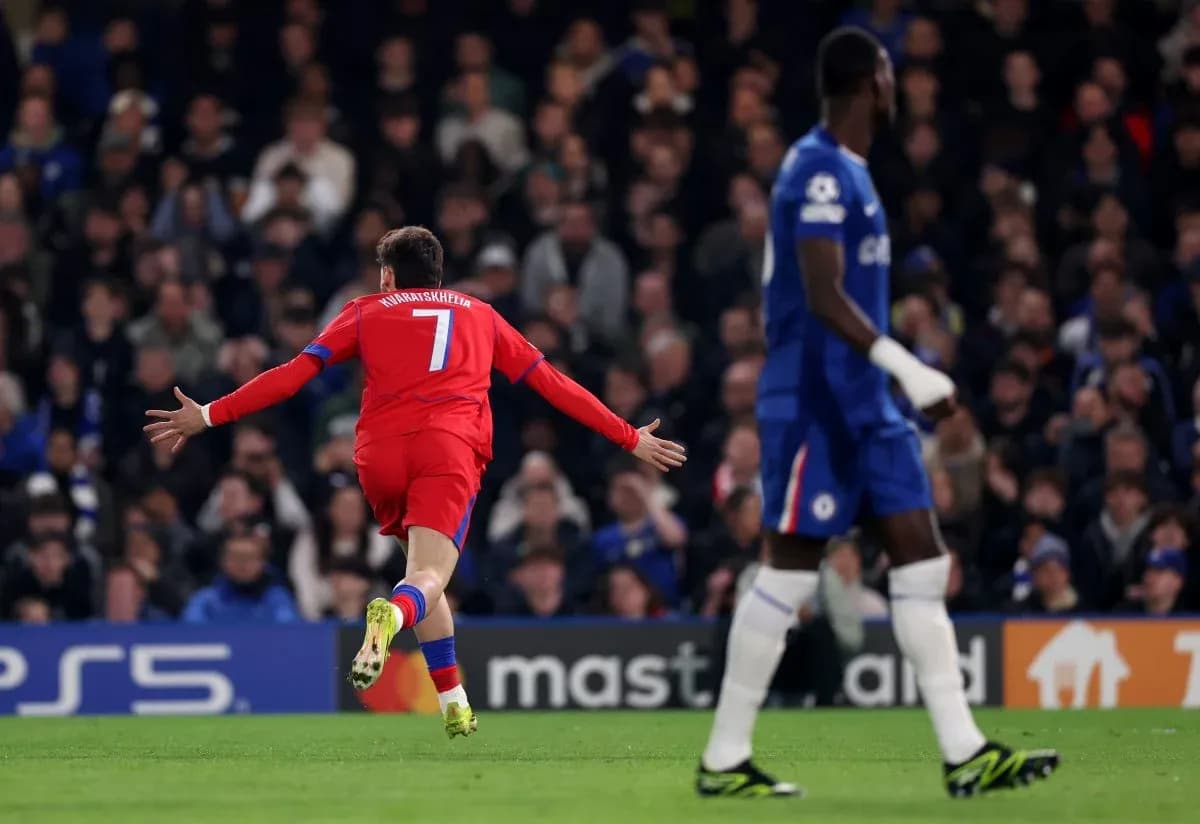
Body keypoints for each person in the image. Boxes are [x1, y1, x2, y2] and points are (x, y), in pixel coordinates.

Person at [696, 27, 1057, 799]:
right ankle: (724, 758)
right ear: (871, 83)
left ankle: (965, 752)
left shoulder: (853, 172)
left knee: (922, 565)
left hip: (868, 407)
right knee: (788, 576)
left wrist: (892, 381)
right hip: (815, 404)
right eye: (891, 73)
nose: (897, 86)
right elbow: (822, 294)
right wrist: (911, 367)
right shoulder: (818, 169)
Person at [144, 226, 686, 738]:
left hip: (379, 456)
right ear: (438, 273)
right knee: (426, 579)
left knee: (422, 575)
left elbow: (293, 375)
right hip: (447, 449)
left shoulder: (363, 310)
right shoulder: (480, 314)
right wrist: (627, 436)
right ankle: (391, 615)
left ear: (388, 276)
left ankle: (453, 703)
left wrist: (209, 414)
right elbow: (552, 383)